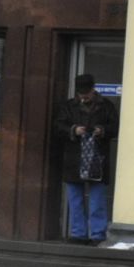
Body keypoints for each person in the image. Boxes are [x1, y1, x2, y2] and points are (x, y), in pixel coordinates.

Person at [53, 73, 118, 244]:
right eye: (82, 94)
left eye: (86, 93)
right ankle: (79, 234)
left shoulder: (106, 106)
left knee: (96, 200)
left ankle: (96, 234)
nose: (84, 97)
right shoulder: (69, 106)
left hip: (96, 158)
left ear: (93, 89)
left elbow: (115, 127)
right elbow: (58, 127)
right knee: (76, 200)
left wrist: (102, 130)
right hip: (76, 157)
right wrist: (74, 130)